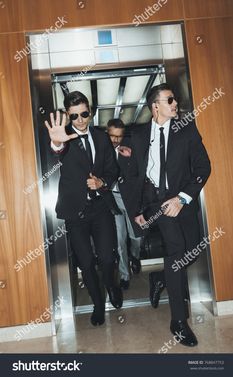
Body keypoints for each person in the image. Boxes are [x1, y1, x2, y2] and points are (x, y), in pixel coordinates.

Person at [131, 83, 211, 347]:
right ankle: (179, 320)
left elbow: (203, 166)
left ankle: (159, 278)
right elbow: (134, 176)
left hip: (183, 200)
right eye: (170, 100)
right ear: (155, 106)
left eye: (174, 100)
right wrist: (138, 210)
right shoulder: (140, 135)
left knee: (193, 249)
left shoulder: (185, 129)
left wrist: (183, 198)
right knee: (176, 250)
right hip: (158, 203)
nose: (175, 104)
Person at [44, 91, 123, 327]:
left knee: (108, 258)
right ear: (68, 115)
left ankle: (111, 284)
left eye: (84, 113)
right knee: (86, 262)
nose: (80, 119)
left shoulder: (101, 137)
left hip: (100, 207)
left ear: (91, 111)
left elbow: (113, 170)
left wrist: (102, 183)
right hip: (75, 212)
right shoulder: (64, 137)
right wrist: (57, 141)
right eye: (75, 115)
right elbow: (57, 149)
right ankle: (98, 304)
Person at [107, 119, 142, 290]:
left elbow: (139, 172)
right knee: (119, 240)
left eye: (118, 136)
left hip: (130, 198)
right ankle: (124, 275)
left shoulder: (130, 147)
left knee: (137, 237)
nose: (115, 139)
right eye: (112, 135)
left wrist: (131, 158)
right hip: (112, 199)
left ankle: (135, 256)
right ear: (107, 133)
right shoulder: (101, 150)